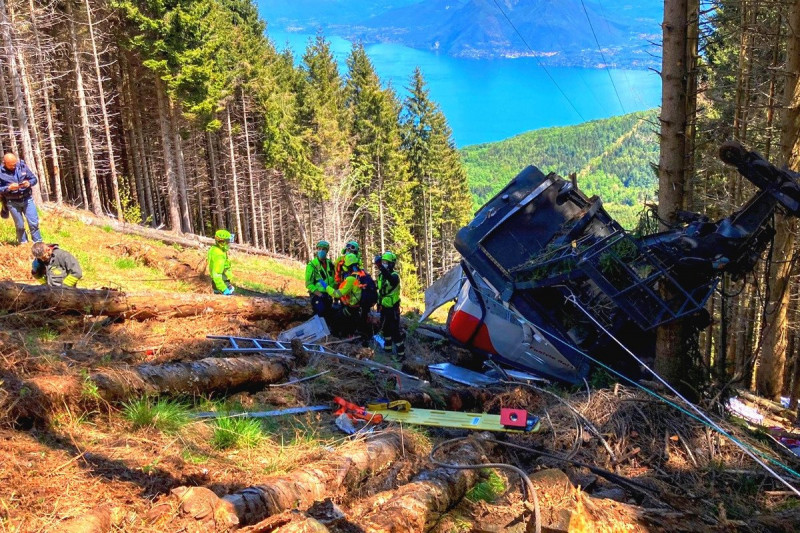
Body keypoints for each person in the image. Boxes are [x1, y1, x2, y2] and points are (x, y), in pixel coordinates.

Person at [326, 253, 370, 342]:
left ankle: (340, 340)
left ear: (347, 266)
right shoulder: (362, 275)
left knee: (335, 320)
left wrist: (326, 287)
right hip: (358, 308)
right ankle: (350, 336)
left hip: (352, 308)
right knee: (349, 324)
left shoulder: (351, 279)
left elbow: (337, 294)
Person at [0, 153, 41, 244]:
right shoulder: (0, 172)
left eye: (15, 164)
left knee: (33, 223)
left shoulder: (22, 166)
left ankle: (38, 244)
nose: (14, 166)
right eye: (11, 165)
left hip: (27, 199)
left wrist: (29, 183)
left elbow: (34, 179)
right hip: (12, 201)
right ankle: (23, 244)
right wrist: (8, 188)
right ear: (4, 163)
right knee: (20, 225)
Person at [376, 251, 405, 359]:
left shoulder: (394, 276)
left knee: (395, 331)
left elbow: (391, 280)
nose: (384, 264)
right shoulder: (380, 276)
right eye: (383, 262)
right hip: (384, 307)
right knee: (385, 329)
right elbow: (381, 291)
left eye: (386, 262)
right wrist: (378, 304)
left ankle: (401, 354)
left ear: (392, 264)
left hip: (393, 309)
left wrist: (381, 267)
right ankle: (387, 349)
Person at [305, 240, 335, 317]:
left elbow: (334, 279)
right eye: (319, 249)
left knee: (330, 315)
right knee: (320, 313)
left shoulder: (330, 264)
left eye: (324, 249)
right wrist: (320, 294)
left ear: (327, 251)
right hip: (317, 295)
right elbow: (309, 284)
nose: (321, 251)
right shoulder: (312, 265)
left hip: (329, 295)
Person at [208, 229, 234, 295]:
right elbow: (216, 274)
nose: (229, 244)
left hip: (217, 283)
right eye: (228, 241)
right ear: (222, 242)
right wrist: (224, 289)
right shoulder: (219, 255)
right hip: (223, 283)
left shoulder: (214, 249)